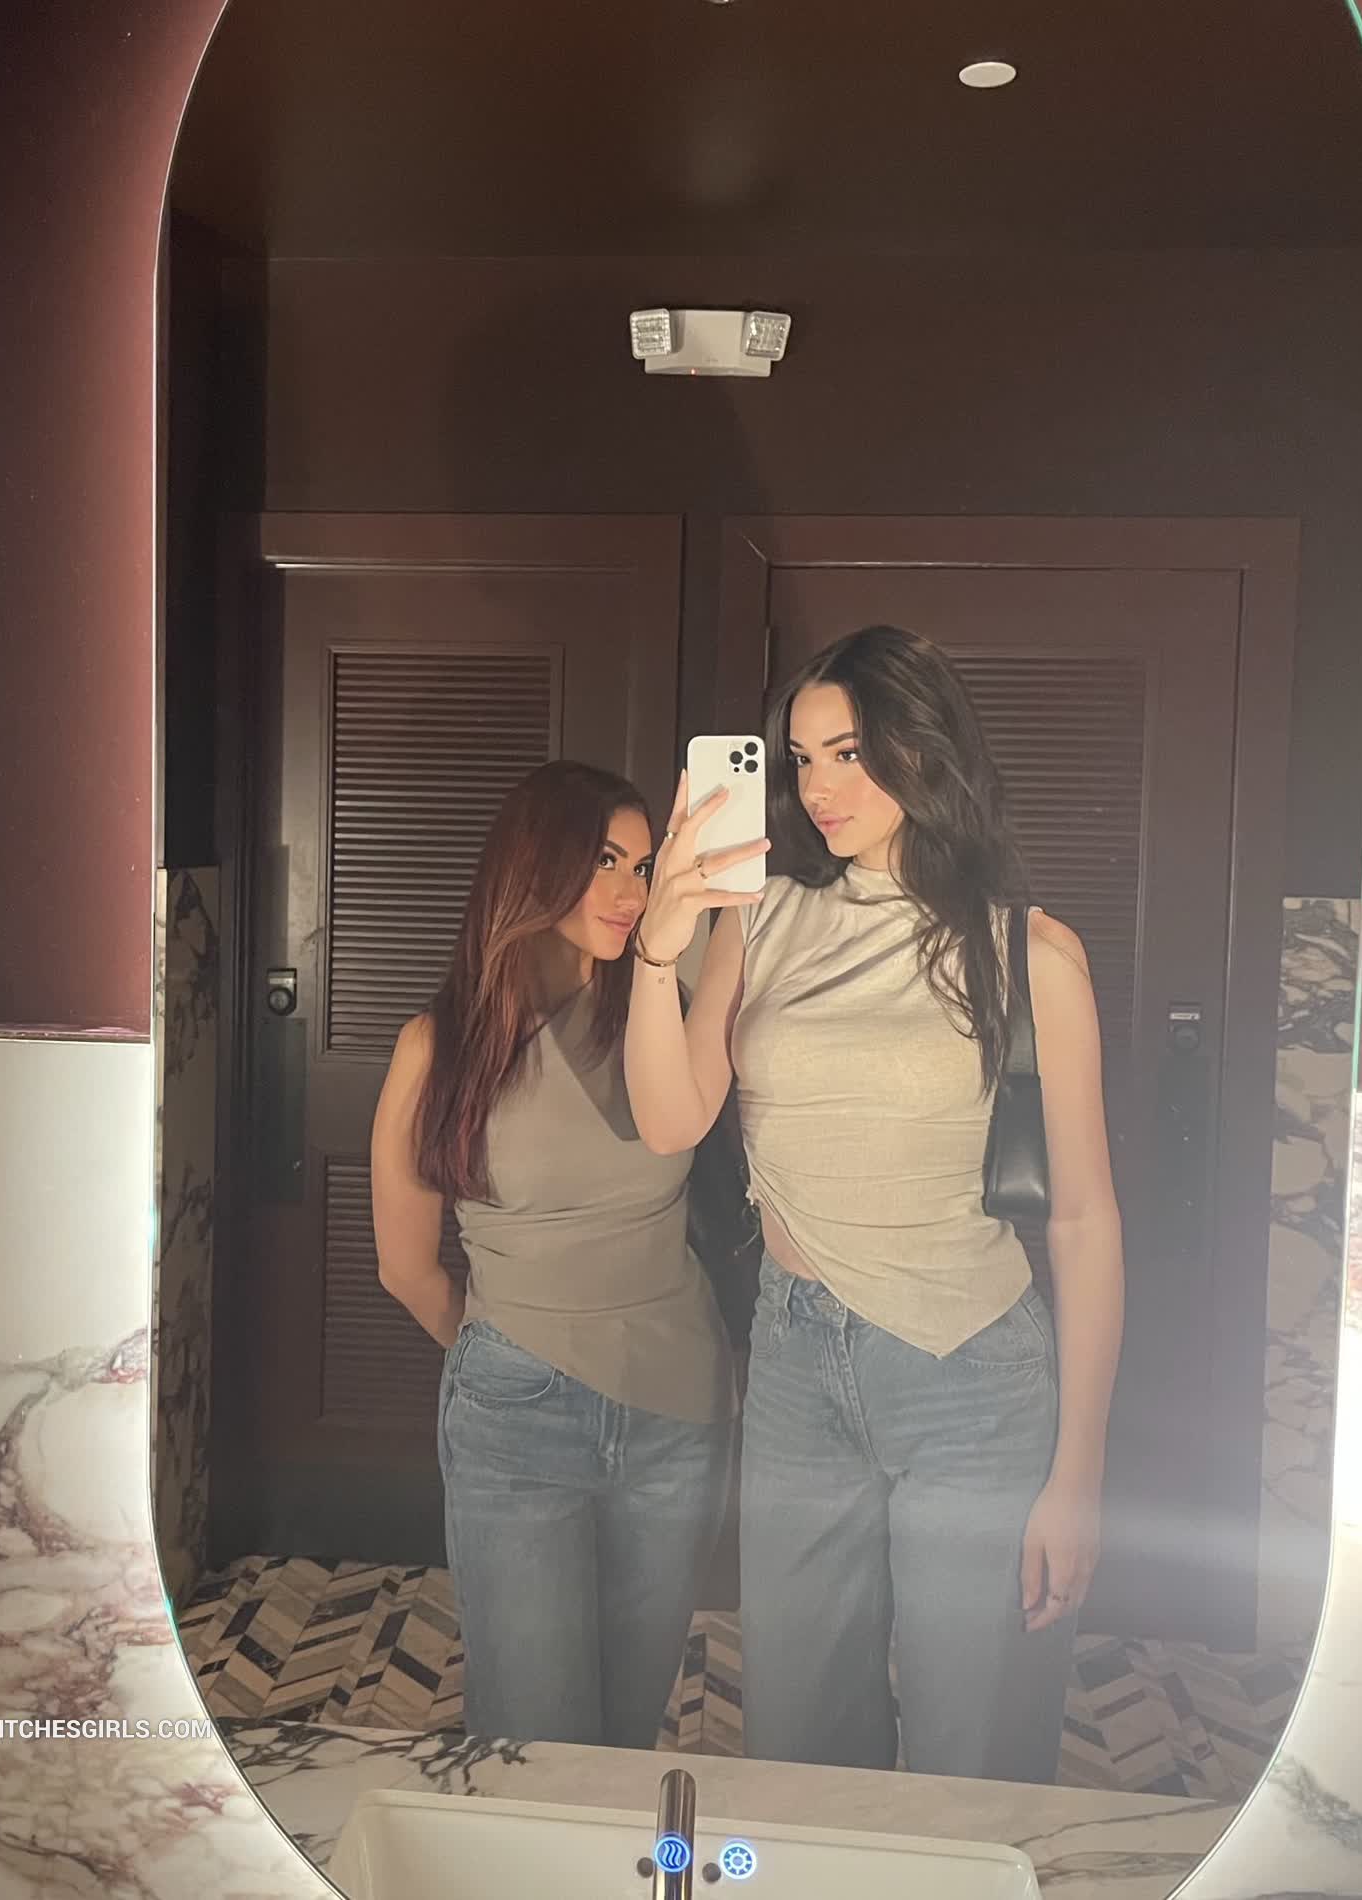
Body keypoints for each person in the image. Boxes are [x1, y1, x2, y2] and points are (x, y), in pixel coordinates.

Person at [623, 626, 1124, 1783]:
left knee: (972, 1756)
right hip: (798, 1361)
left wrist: (1082, 1474)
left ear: (921, 745)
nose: (819, 788)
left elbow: (1085, 1220)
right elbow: (670, 1118)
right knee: (800, 1749)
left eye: (848, 753)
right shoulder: (761, 915)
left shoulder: (1031, 951)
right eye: (801, 758)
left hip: (971, 1375)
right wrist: (658, 949)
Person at [371, 759, 735, 1750]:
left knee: (623, 1731)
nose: (629, 891)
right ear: (534, 866)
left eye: (643, 866)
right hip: (517, 1415)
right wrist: (514, 1350)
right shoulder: (438, 1046)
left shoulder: (667, 999)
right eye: (604, 861)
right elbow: (406, 1266)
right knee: (533, 1738)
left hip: (677, 1409)